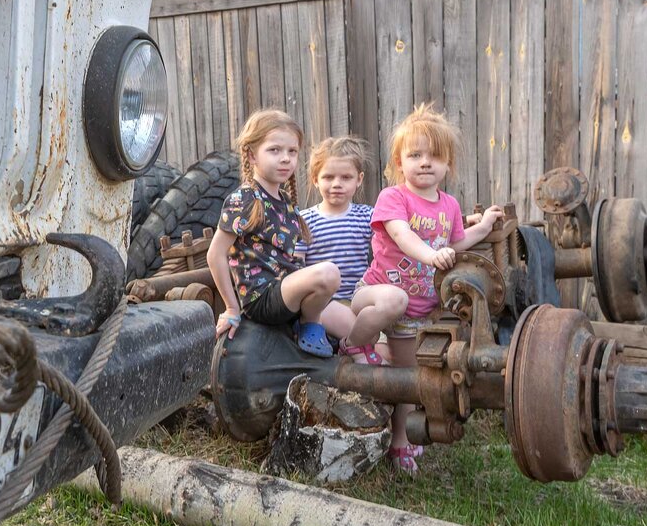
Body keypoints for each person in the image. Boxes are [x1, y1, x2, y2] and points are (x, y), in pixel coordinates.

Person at [353, 103, 504, 473]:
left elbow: (457, 240)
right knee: (392, 301)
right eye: (415, 155)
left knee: (409, 381)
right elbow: (402, 235)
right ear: (399, 162)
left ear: (447, 164)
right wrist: (432, 254)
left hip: (416, 313)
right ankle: (355, 343)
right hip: (376, 292)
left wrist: (483, 227)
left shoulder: (449, 205)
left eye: (434, 156)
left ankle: (398, 441)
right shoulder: (394, 198)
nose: (425, 162)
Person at [207, 110, 341, 357]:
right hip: (262, 297)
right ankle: (310, 326)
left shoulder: (285, 202)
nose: (285, 159)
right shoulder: (245, 199)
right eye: (274, 150)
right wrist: (231, 308)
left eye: (292, 151)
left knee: (351, 324)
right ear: (251, 155)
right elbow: (215, 255)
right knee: (329, 273)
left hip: (287, 292)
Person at [300, 136, 407, 365]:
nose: (337, 184)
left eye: (346, 177)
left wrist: (464, 222)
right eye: (328, 177)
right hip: (325, 303)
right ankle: (353, 351)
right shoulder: (305, 221)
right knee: (371, 343)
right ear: (315, 180)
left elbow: (403, 227)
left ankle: (367, 365)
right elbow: (297, 266)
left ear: (359, 180)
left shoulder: (366, 216)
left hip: (359, 297)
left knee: (390, 354)